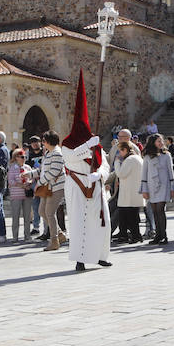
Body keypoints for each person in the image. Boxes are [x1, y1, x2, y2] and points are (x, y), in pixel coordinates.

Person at [61, 75, 113, 272]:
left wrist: (99, 174)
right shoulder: (67, 144)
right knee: (79, 223)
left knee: (103, 222)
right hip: (77, 185)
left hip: (95, 186)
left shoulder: (96, 144)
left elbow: (106, 165)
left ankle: (100, 256)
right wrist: (86, 146)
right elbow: (71, 158)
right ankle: (80, 259)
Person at [140, 133, 174, 245]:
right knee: (154, 211)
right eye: (158, 141)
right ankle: (158, 235)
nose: (161, 143)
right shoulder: (147, 157)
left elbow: (171, 172)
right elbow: (144, 174)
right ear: (153, 143)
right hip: (151, 186)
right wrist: (144, 189)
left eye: (161, 141)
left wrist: (172, 187)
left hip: (164, 185)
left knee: (160, 210)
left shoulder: (167, 155)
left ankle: (163, 235)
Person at [37, 131, 66, 251]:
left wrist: (39, 182)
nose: (42, 143)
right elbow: (44, 170)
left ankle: (54, 241)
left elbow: (54, 172)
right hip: (48, 187)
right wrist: (30, 174)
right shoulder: (48, 153)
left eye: (43, 141)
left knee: (49, 213)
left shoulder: (57, 153)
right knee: (42, 211)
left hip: (56, 187)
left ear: (48, 142)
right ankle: (60, 234)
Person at [112, 140, 144, 243]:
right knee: (132, 216)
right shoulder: (138, 158)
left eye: (120, 151)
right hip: (133, 193)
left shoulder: (129, 160)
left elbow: (121, 173)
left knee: (129, 217)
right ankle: (132, 236)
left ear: (125, 150)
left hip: (129, 194)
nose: (119, 154)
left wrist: (117, 162)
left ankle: (133, 236)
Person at [6, 148, 37, 242]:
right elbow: (10, 181)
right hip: (16, 195)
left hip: (27, 195)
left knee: (27, 217)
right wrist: (22, 186)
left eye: (25, 157)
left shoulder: (27, 168)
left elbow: (33, 178)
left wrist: (29, 183)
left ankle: (27, 236)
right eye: (22, 157)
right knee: (15, 216)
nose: (24, 158)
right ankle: (15, 237)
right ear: (16, 158)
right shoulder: (12, 168)